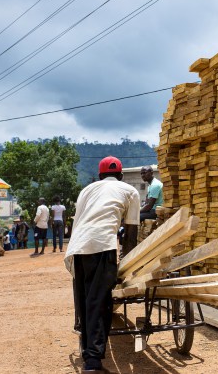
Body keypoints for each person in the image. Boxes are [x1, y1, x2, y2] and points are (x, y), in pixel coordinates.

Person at [64, 156, 140, 373]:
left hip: (78, 247)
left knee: (86, 301)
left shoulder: (87, 190)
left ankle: (89, 353)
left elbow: (78, 221)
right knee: (100, 303)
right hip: (102, 246)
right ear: (121, 175)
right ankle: (93, 362)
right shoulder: (130, 191)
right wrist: (128, 264)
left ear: (99, 176)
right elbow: (131, 232)